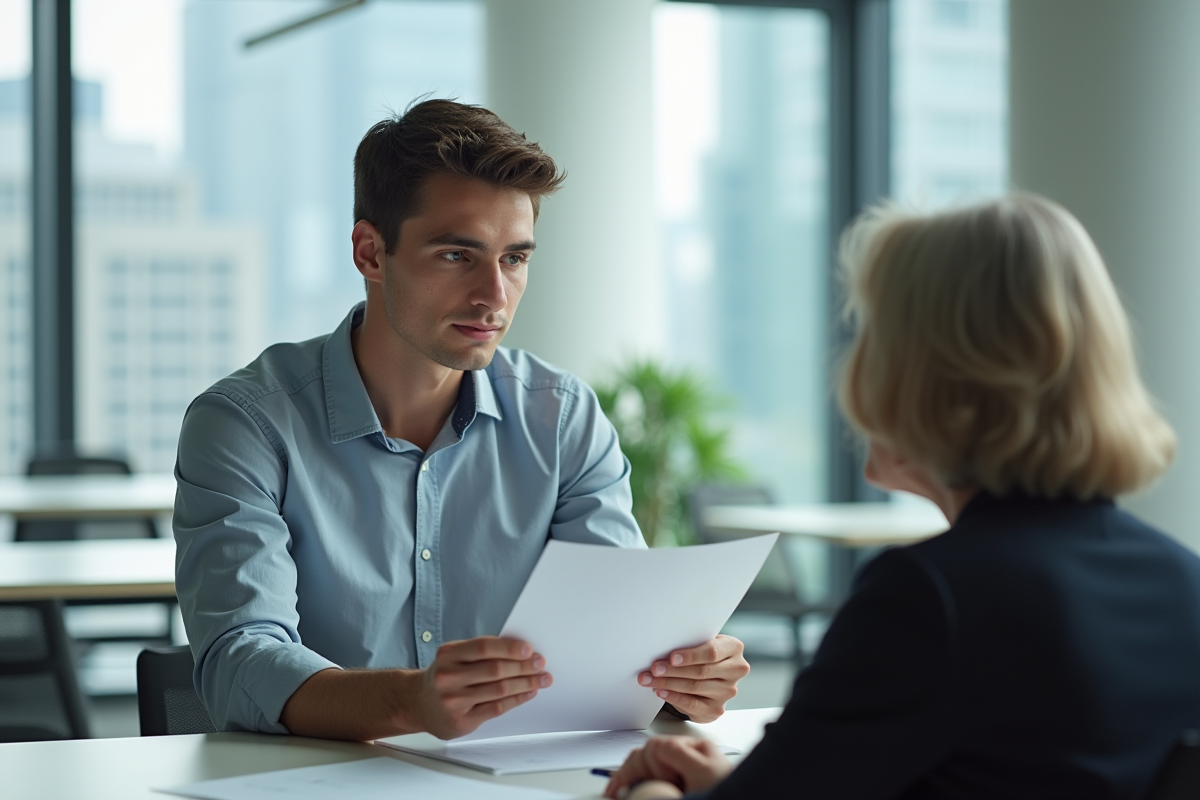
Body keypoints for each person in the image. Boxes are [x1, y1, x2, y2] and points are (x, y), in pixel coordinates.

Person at [173, 99, 749, 741]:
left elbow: (613, 649)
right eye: (457, 255)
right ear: (370, 252)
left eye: (515, 258)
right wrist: (411, 702)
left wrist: (676, 681)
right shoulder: (245, 424)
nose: (494, 297)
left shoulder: (563, 419)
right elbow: (240, 661)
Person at [605, 193, 1200, 800]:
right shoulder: (1185, 583)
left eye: (873, 333)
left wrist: (652, 789)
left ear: (925, 373)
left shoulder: (928, 600)